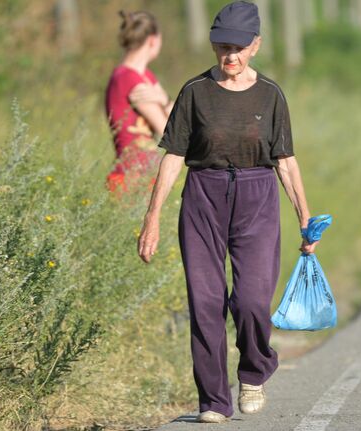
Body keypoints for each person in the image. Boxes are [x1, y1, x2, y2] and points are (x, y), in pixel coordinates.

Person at [136, 1, 318, 424]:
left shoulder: (270, 95)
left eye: (237, 47)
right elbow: (172, 156)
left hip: (257, 196)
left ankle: (253, 373)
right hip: (203, 195)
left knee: (253, 300)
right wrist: (152, 218)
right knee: (205, 302)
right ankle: (213, 400)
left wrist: (305, 218)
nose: (229, 56)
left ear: (255, 45)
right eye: (221, 47)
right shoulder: (194, 92)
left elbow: (286, 162)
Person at [105, 10, 174, 194]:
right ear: (153, 40)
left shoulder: (144, 76)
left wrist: (165, 100)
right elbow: (170, 130)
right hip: (131, 180)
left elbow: (177, 117)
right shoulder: (128, 78)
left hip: (145, 176)